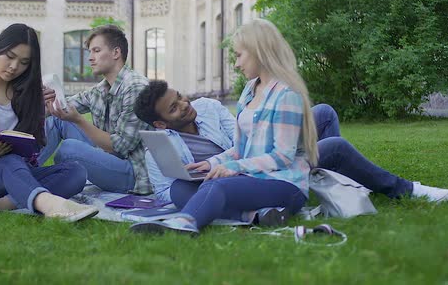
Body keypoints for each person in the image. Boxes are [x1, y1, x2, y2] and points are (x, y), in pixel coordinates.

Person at [130, 19, 320, 235]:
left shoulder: (286, 95)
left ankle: (184, 224)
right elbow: (240, 149)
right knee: (195, 185)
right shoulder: (250, 90)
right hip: (256, 178)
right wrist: (210, 164)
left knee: (217, 186)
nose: (237, 64)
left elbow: (283, 157)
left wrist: (235, 168)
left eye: (239, 55)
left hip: (286, 183)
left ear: (258, 51)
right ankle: (256, 215)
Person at [133, 81, 448, 205]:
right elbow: (164, 191)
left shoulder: (209, 107)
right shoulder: (160, 147)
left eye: (180, 97)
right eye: (174, 107)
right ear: (161, 123)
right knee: (336, 147)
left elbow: (246, 141)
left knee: (323, 114)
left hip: (261, 157)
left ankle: (331, 183)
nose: (185, 105)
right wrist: (200, 183)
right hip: (254, 180)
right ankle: (406, 189)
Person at [0, 23, 98, 222]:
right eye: (10, 57)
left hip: (19, 171)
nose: (14, 67)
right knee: (8, 161)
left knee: (76, 172)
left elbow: (33, 152)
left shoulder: (30, 91)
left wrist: (41, 114)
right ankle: (52, 206)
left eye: (24, 62)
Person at [41, 25, 151, 195]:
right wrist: (47, 104)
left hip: (133, 173)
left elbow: (121, 147)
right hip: (108, 158)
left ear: (116, 53)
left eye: (96, 51)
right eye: (90, 52)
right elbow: (65, 106)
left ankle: (36, 185)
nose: (90, 58)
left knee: (68, 149)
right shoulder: (101, 89)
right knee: (57, 120)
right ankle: (23, 172)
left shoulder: (136, 88)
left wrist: (79, 120)